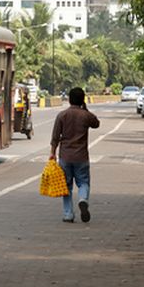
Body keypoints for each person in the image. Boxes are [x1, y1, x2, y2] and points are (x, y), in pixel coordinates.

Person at [50, 87, 100, 223]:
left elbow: (55, 136)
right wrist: (86, 109)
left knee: (66, 186)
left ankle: (68, 214)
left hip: (65, 156)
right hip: (81, 157)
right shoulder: (85, 115)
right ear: (82, 100)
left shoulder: (62, 115)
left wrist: (52, 154)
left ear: (69, 99)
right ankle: (83, 199)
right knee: (83, 182)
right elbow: (96, 124)